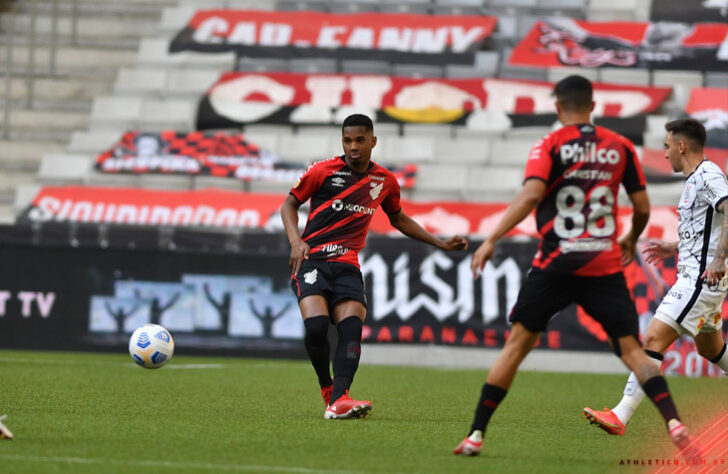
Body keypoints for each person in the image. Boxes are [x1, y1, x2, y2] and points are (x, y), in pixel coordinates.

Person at [453, 76, 693, 456]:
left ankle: (475, 435)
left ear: (557, 106)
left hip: (556, 263)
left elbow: (532, 194)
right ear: (593, 106)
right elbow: (643, 207)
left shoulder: (549, 144)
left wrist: (493, 237)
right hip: (602, 263)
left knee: (516, 347)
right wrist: (630, 238)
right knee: (633, 351)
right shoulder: (620, 147)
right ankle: (674, 422)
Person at [281, 114, 468, 420]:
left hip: (347, 265)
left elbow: (399, 218)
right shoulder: (323, 170)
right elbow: (289, 204)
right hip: (312, 260)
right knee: (316, 329)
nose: (353, 147)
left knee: (351, 328)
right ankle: (328, 388)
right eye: (347, 140)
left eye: (359, 140)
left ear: (372, 141)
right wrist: (295, 240)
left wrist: (440, 243)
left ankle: (341, 399)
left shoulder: (385, 181)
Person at [584, 118, 728, 436]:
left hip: (699, 281)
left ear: (681, 146)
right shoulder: (695, 180)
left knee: (651, 340)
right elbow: (709, 229)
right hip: (701, 279)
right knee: (711, 350)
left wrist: (718, 259)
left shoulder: (708, 175)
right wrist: (674, 246)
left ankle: (620, 415)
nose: (664, 155)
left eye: (666, 146)